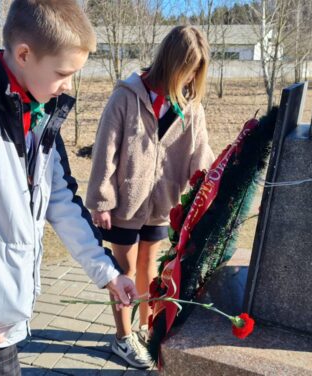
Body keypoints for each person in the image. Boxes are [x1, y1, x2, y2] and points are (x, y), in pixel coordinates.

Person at [0, 1, 138, 375]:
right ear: (24, 54)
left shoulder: (41, 113)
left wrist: (107, 272)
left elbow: (62, 200)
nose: (69, 85)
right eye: (63, 72)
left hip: (2, 311)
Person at [86, 25, 214, 369]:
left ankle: (143, 326)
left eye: (197, 71)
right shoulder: (127, 95)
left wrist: (208, 191)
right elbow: (105, 149)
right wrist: (101, 200)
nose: (191, 77)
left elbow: (200, 155)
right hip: (123, 205)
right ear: (171, 62)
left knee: (149, 267)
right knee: (123, 270)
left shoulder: (190, 107)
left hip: (162, 205)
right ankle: (122, 338)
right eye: (188, 68)